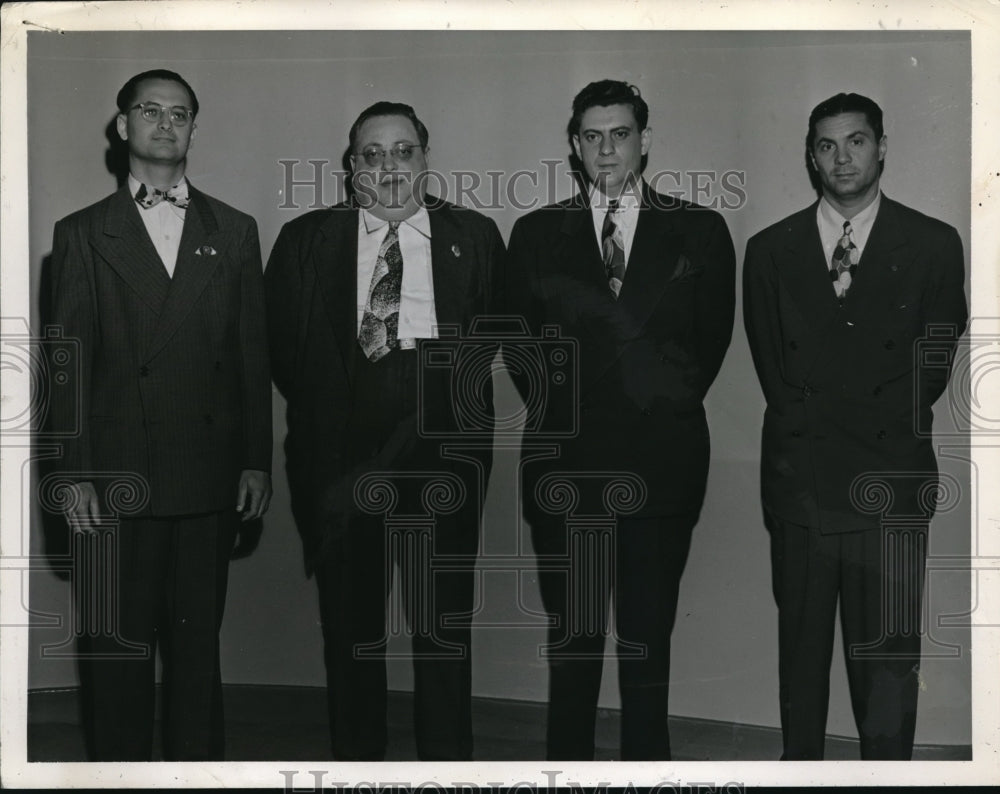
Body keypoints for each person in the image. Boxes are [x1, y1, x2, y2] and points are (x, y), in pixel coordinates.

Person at [265, 101, 505, 761]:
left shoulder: (476, 236)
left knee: (444, 635)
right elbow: (285, 356)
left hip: (445, 469)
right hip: (343, 467)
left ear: (426, 161)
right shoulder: (307, 241)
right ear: (351, 169)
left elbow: (491, 346)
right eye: (371, 154)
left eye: (403, 151)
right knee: (351, 635)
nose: (388, 166)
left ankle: (449, 772)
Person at [506, 79, 736, 760]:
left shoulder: (699, 230)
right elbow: (520, 352)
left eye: (621, 133)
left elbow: (706, 349)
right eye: (592, 135)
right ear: (574, 147)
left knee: (646, 643)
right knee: (572, 646)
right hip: (565, 469)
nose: (606, 147)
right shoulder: (536, 233)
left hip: (659, 469)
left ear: (645, 141)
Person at [48, 69, 272, 761]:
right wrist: (72, 474)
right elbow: (66, 364)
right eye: (150, 110)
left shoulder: (233, 231)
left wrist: (256, 460)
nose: (165, 123)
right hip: (115, 478)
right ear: (123, 127)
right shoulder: (82, 233)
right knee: (117, 657)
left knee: (196, 654)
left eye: (180, 113)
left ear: (194, 129)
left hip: (206, 477)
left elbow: (249, 360)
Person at [742, 92, 968, 760]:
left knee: (889, 668)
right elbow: (772, 372)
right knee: (802, 664)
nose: (842, 158)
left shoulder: (932, 244)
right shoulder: (771, 249)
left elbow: (931, 371)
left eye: (857, 141)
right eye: (826, 145)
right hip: (802, 488)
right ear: (811, 157)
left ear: (882, 147)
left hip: (889, 487)